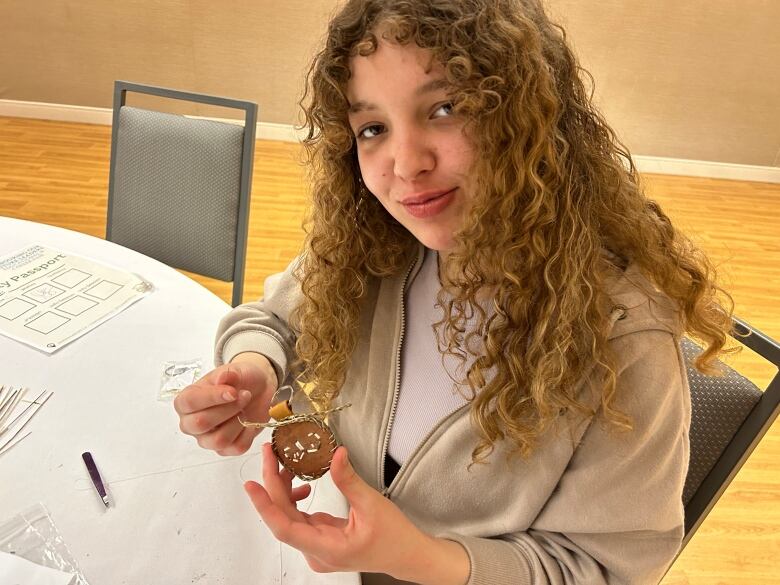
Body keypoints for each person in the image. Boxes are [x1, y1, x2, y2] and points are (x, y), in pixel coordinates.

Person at [173, 1, 734, 583]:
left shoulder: (624, 336)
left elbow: (604, 568)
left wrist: (412, 556)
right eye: (373, 128)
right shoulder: (379, 240)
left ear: (526, 116)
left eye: (445, 109)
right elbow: (276, 319)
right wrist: (255, 370)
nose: (407, 164)